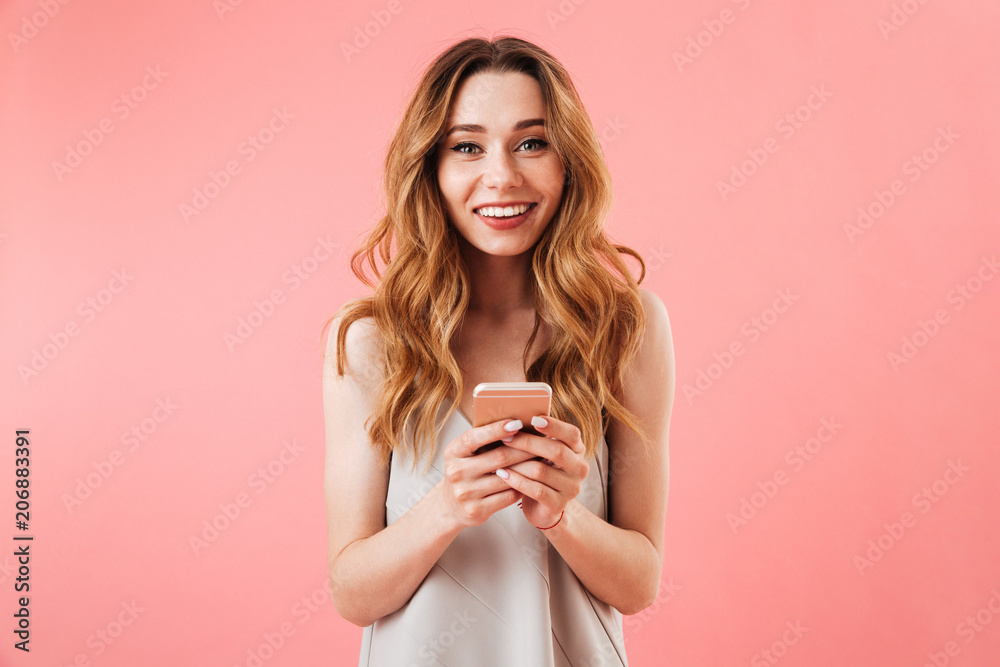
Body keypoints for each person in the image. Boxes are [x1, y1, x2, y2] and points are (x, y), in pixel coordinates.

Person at [322, 35, 675, 666]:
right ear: (431, 167)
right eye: (467, 146)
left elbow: (640, 581)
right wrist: (446, 510)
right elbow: (352, 592)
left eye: (532, 142)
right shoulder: (370, 342)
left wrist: (560, 516)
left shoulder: (629, 328)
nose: (502, 176)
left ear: (570, 161)